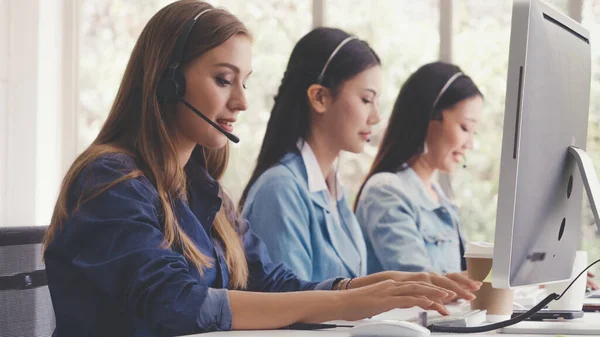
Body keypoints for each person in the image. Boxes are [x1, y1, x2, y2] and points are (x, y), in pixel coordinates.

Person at [42, 3, 473, 337]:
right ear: (167, 81)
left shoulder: (199, 187)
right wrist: (341, 306)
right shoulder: (108, 181)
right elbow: (175, 303)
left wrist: (363, 289)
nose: (242, 102)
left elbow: (268, 279)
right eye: (224, 80)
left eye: (244, 82)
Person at [239, 29, 480, 296]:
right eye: (366, 100)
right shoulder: (280, 190)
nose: (376, 117)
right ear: (320, 97)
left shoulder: (334, 192)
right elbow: (288, 308)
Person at [354, 62, 483, 275]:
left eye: (473, 133)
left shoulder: (440, 199)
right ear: (430, 118)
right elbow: (421, 284)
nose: (470, 144)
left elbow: (461, 275)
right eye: (465, 128)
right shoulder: (386, 191)